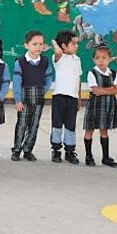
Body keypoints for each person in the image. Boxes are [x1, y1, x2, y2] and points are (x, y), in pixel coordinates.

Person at [11, 30, 54, 162]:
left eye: (41, 44)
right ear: (26, 45)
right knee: (22, 124)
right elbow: (17, 82)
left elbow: (49, 77)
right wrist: (17, 100)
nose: (38, 47)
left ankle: (28, 150)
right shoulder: (20, 62)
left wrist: (43, 90)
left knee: (34, 125)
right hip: (24, 97)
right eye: (35, 44)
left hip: (39, 98)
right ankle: (17, 149)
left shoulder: (45, 61)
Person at [82, 44, 117, 167]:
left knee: (104, 131)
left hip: (108, 105)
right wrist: (110, 89)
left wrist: (103, 90)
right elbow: (95, 91)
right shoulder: (92, 73)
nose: (101, 60)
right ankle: (89, 156)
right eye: (98, 58)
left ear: (110, 59)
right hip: (95, 105)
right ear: (94, 60)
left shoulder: (113, 73)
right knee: (89, 130)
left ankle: (105, 157)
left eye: (104, 57)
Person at [50, 30, 82, 165]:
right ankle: (56, 150)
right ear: (63, 46)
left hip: (72, 97)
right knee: (57, 124)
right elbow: (57, 51)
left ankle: (70, 150)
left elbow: (78, 79)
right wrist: (55, 42)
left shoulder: (77, 59)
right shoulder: (59, 57)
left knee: (70, 125)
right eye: (73, 43)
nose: (76, 46)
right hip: (59, 96)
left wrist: (79, 98)